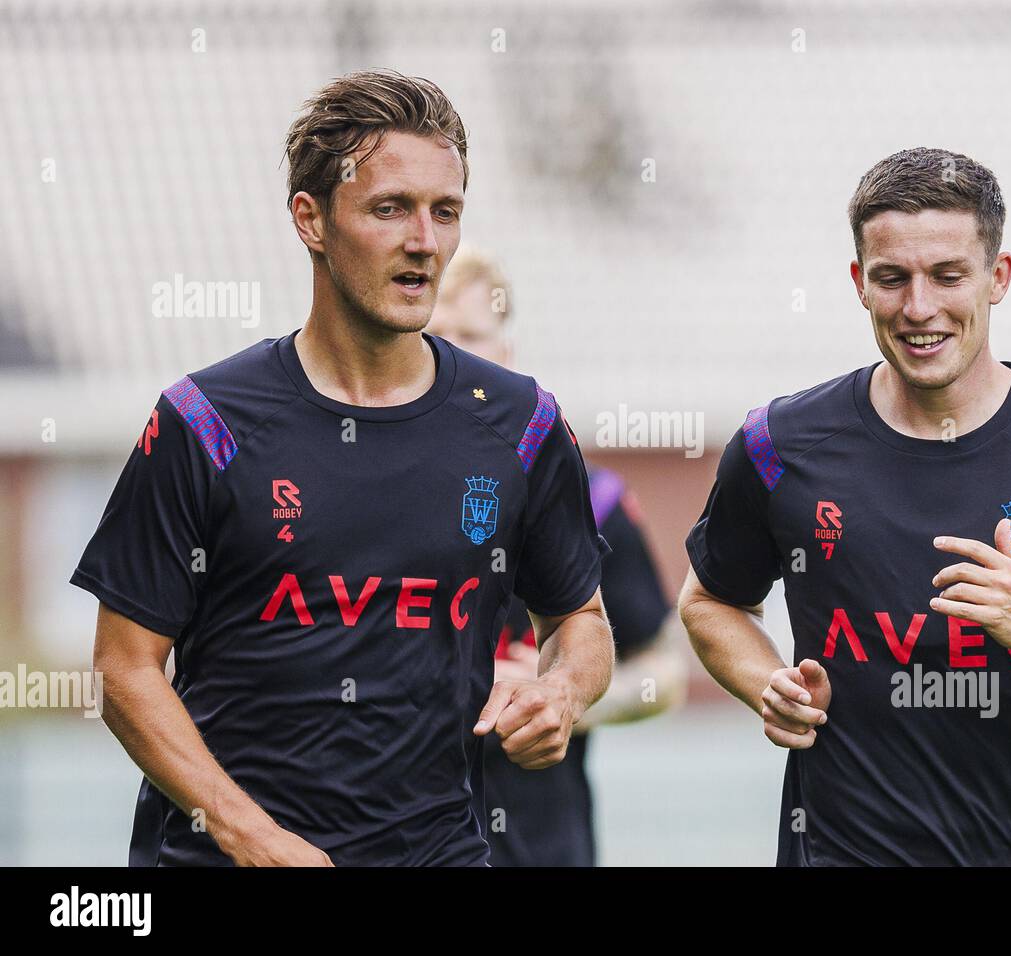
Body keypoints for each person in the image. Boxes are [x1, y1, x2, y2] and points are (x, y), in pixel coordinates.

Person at [71, 70, 614, 866]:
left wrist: (560, 691)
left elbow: (580, 621)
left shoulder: (520, 424)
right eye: (390, 208)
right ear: (311, 219)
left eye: (446, 211)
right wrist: (246, 834)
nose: (424, 241)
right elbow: (124, 669)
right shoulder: (205, 422)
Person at [678, 146, 1011, 866]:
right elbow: (709, 601)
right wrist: (766, 684)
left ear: (999, 278)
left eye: (947, 276)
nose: (919, 308)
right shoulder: (780, 444)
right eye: (892, 278)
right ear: (859, 283)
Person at [428, 247, 686, 866]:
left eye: (469, 336)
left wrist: (561, 699)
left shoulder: (587, 498)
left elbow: (663, 678)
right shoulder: (360, 493)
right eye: (434, 336)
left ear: (506, 356)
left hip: (541, 843)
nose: (451, 355)